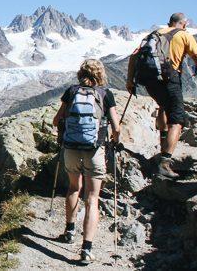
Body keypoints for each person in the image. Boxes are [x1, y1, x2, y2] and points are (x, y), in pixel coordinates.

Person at [53, 59, 120, 264]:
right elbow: (116, 127)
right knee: (92, 198)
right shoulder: (105, 94)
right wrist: (115, 141)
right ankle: (86, 249)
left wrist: (65, 130)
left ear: (80, 73)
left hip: (71, 148)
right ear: (100, 75)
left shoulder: (71, 92)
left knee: (74, 188)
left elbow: (57, 120)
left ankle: (70, 230)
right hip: (94, 150)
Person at [126, 13, 197, 179]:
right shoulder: (184, 35)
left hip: (149, 81)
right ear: (184, 24)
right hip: (169, 79)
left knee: (163, 106)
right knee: (177, 120)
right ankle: (165, 163)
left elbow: (134, 56)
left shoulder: (153, 35)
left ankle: (163, 142)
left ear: (169, 23)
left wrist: (130, 80)